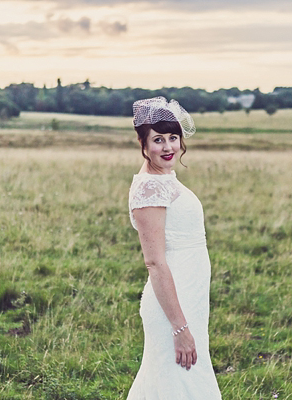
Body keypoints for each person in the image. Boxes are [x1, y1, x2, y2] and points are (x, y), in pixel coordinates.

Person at [127, 97, 222, 399]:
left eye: (173, 137)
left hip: (189, 298)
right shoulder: (150, 187)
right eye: (158, 139)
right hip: (173, 307)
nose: (168, 147)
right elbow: (155, 263)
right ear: (142, 143)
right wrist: (180, 329)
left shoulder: (164, 178)